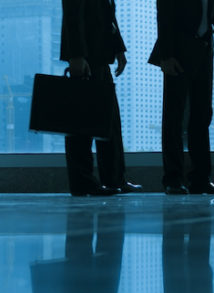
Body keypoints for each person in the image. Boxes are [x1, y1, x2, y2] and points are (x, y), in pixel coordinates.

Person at [150, 0, 214, 195]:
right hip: (177, 52)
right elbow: (164, 15)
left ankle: (200, 179)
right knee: (174, 117)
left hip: (204, 50)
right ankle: (173, 180)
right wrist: (166, 56)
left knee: (202, 115)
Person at [60, 0, 141, 196]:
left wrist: (118, 48)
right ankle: (84, 182)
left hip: (98, 55)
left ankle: (113, 179)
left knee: (108, 121)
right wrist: (77, 56)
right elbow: (72, 14)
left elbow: (107, 13)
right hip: (87, 56)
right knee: (82, 125)